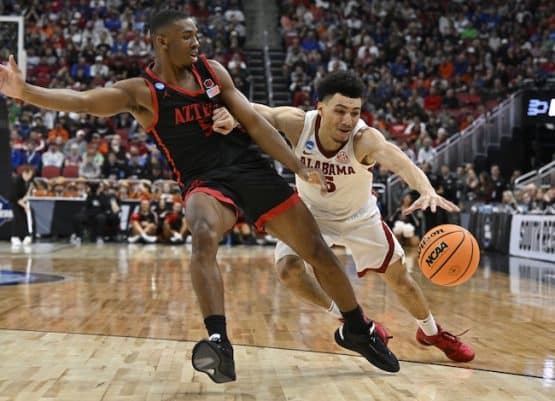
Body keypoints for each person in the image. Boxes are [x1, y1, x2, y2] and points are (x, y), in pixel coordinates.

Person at [0, 11, 399, 382]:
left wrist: (297, 166)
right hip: (204, 181)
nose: (197, 42)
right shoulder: (142, 91)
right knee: (203, 232)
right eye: (187, 36)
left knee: (317, 250)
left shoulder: (213, 73)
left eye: (197, 35)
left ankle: (358, 327)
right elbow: (85, 101)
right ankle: (219, 343)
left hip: (250, 171)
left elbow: (255, 124)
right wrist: (26, 91)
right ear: (161, 42)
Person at [251, 70, 475, 363]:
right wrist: (226, 113)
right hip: (311, 214)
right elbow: (254, 111)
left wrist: (426, 189)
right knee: (288, 271)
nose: (347, 120)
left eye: (355, 112)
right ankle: (355, 321)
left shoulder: (364, 139)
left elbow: (401, 162)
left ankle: (431, 332)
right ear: (320, 107)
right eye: (340, 111)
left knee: (401, 280)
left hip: (358, 217)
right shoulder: (297, 124)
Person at [9, 165, 34, 247]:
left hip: (22, 200)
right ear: (24, 173)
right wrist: (25, 206)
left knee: (24, 218)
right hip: (15, 201)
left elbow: (26, 195)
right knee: (17, 217)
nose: (30, 177)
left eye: (31, 175)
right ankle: (14, 237)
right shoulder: (16, 181)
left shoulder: (28, 182)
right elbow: (16, 198)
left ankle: (26, 236)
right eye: (29, 175)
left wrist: (25, 201)